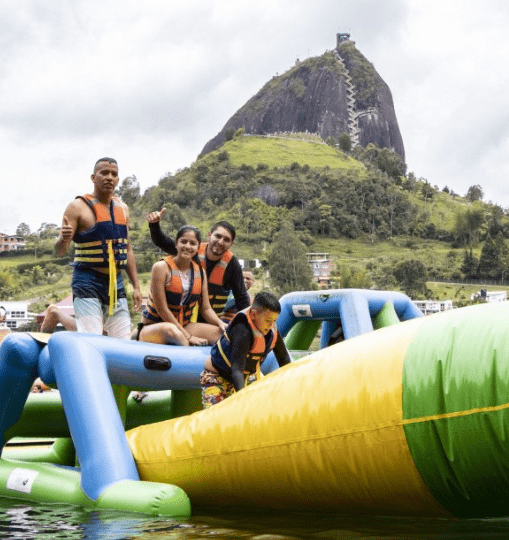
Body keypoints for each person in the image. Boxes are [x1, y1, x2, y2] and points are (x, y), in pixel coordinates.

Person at [55, 157, 142, 339]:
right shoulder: (77, 207)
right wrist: (63, 238)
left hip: (115, 282)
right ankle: (56, 316)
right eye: (104, 173)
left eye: (114, 174)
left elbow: (128, 249)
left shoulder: (123, 209)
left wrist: (136, 287)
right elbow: (59, 251)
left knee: (123, 339)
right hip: (87, 280)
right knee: (92, 337)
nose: (109, 177)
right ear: (93, 177)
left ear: (118, 180)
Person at [146, 208, 250, 319]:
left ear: (231, 244)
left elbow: (242, 298)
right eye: (218, 236)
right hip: (185, 318)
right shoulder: (191, 250)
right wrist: (154, 225)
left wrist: (248, 325)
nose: (220, 242)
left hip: (210, 319)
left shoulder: (232, 265)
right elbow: (163, 242)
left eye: (226, 239)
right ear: (209, 235)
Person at [138, 225, 227, 346]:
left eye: (192, 243)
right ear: (176, 244)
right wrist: (188, 336)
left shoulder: (201, 273)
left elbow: (206, 309)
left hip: (183, 326)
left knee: (222, 334)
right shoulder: (161, 268)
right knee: (173, 332)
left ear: (198, 247)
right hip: (154, 327)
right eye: (183, 242)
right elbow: (162, 309)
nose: (187, 246)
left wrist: (220, 323)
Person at [201, 291, 292, 408]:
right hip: (218, 378)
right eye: (268, 321)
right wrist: (243, 401)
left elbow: (284, 359)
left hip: (248, 376)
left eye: (274, 321)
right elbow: (237, 369)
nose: (271, 326)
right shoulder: (242, 330)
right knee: (217, 418)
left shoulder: (271, 329)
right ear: (254, 315)